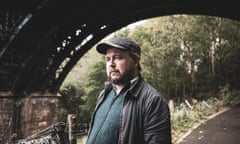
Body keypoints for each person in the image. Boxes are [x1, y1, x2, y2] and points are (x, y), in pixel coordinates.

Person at [86, 37, 172, 144]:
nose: (111, 64)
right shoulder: (104, 93)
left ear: (135, 61)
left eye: (117, 58)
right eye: (108, 59)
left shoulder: (153, 100)